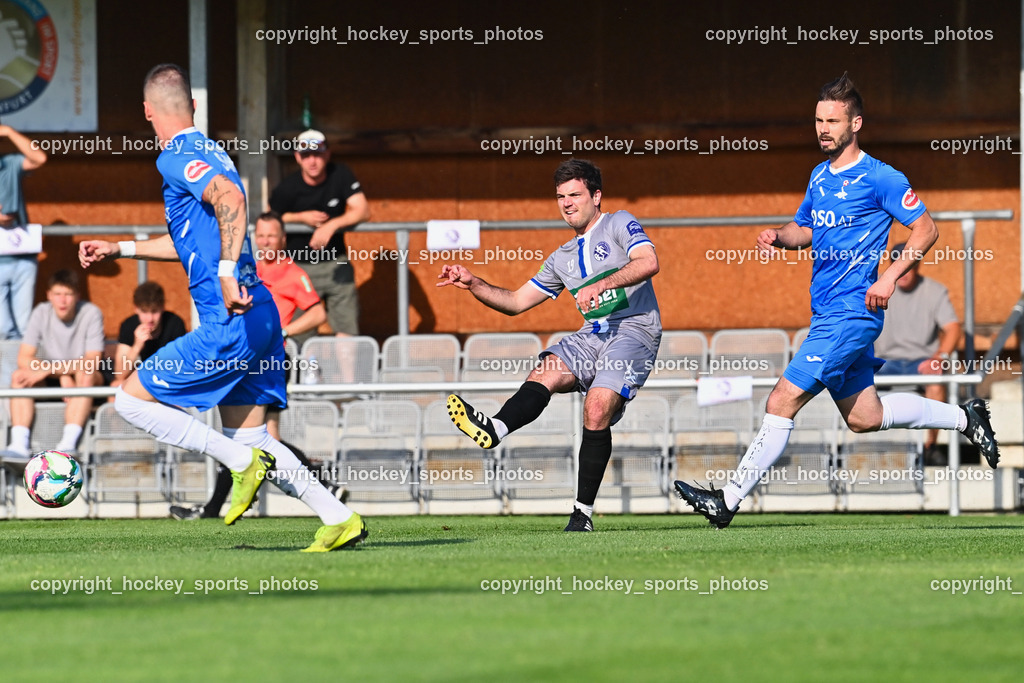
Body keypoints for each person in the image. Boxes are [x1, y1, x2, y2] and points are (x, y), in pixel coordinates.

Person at [674, 73, 999, 529]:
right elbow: (806, 228)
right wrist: (782, 236)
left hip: (851, 314)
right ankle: (964, 418)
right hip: (828, 312)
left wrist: (887, 278)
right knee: (867, 417)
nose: (823, 128)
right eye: (818, 120)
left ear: (856, 123)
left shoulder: (881, 177)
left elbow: (926, 228)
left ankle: (726, 499)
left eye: (832, 120)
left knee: (781, 401)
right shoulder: (819, 176)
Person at [78, 63, 365, 551]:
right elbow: (194, 240)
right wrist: (121, 249)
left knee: (128, 400)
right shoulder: (214, 151)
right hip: (262, 315)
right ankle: (338, 516)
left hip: (229, 316)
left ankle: (235, 463)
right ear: (192, 105)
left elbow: (231, 199)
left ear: (147, 111)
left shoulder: (175, 156)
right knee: (256, 439)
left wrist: (228, 273)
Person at [439, 158, 662, 532]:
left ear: (596, 196)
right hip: (593, 334)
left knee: (595, 409)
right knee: (546, 371)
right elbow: (515, 302)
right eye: (561, 197)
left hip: (634, 330)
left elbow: (649, 261)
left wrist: (602, 284)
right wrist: (474, 283)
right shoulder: (560, 257)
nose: (567, 203)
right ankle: (495, 428)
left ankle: (582, 514)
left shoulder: (619, 222)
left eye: (575, 195)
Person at [169, 211, 341, 521]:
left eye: (271, 236)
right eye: (259, 235)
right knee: (260, 439)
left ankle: (212, 510)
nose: (264, 241)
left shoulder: (291, 273)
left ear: (283, 239)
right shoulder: (246, 268)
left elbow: (318, 314)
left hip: (270, 360)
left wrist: (282, 331)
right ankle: (324, 485)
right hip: (243, 356)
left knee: (244, 438)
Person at [268, 128, 370, 337]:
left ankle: (347, 372)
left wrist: (330, 226)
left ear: (327, 154)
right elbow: (271, 220)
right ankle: (308, 371)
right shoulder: (287, 187)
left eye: (317, 154)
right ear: (297, 157)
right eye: (306, 155)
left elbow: (364, 210)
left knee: (347, 335)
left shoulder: (340, 174)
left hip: (336, 263)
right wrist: (300, 217)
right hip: (300, 269)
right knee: (300, 338)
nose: (312, 161)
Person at [874, 242, 962, 463]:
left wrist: (939, 358)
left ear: (918, 266)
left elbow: (953, 328)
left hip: (922, 362)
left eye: (908, 265)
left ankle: (930, 446)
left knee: (935, 383)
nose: (902, 271)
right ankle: (870, 445)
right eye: (897, 264)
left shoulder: (934, 291)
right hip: (883, 362)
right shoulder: (876, 288)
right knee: (855, 378)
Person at [5, 270, 104, 458]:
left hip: (84, 380)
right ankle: (19, 444)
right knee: (19, 376)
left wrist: (52, 370)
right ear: (49, 295)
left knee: (85, 373)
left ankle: (67, 445)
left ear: (77, 296)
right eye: (58, 294)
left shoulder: (91, 313)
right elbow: (24, 358)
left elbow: (92, 362)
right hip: (55, 378)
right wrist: (63, 375)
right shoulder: (40, 312)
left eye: (68, 294)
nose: (63, 301)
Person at [0, 123, 47, 340]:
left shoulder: (9, 162)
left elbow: (40, 158)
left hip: (22, 256)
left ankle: (25, 373)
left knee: (24, 328)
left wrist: (9, 132)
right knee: (2, 329)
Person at [111, 281, 188, 389]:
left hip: (167, 378)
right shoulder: (128, 326)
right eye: (144, 312)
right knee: (116, 386)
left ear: (162, 308)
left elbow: (181, 365)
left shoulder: (174, 323)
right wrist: (137, 346)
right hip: (139, 378)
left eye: (154, 311)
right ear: (136, 309)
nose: (150, 319)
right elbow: (120, 374)